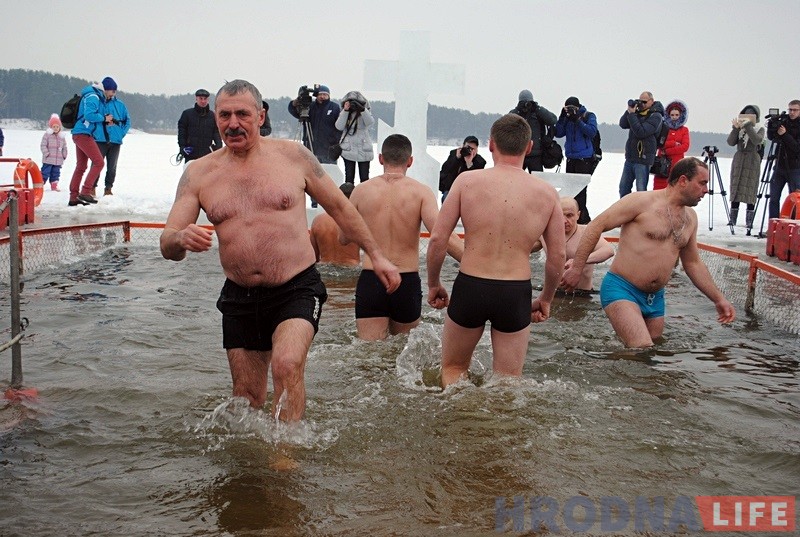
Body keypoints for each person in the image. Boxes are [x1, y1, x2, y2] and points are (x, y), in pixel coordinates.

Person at [160, 79, 400, 422]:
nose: (233, 123)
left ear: (260, 116)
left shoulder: (293, 157)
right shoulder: (199, 173)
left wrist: (376, 255)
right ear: (215, 117)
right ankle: (252, 471)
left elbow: (341, 208)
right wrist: (180, 238)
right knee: (247, 397)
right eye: (224, 115)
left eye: (242, 114)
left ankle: (286, 460)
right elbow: (167, 243)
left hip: (296, 286)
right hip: (239, 295)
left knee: (287, 365)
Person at [426, 114, 565, 387]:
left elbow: (438, 239)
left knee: (453, 368)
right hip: (515, 291)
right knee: (508, 382)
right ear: (529, 147)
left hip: (471, 285)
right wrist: (546, 298)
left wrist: (433, 284)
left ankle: (457, 425)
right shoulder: (547, 193)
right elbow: (557, 256)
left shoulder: (466, 182)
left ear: (491, 145)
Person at [562, 157, 736, 348]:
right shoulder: (641, 202)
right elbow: (596, 225)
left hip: (655, 298)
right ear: (683, 180)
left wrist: (718, 299)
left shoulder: (691, 219)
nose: (706, 190)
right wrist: (578, 267)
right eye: (702, 183)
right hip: (622, 289)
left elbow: (693, 263)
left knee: (652, 352)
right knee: (642, 348)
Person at [342, 134, 463, 341]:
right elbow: (441, 236)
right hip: (406, 280)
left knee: (369, 355)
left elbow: (343, 238)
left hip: (372, 279)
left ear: (380, 158)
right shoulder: (422, 192)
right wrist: (473, 262)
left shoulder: (361, 191)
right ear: (410, 161)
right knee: (404, 356)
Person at [532, 197, 614, 293]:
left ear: (578, 215)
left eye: (569, 215)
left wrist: (578, 261)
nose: (564, 221)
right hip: (553, 294)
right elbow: (522, 248)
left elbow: (608, 250)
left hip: (582, 295)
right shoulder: (545, 234)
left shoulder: (587, 233)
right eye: (560, 216)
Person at [555, 96, 598, 223]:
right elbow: (558, 132)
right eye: (567, 108)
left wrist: (578, 120)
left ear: (578, 107)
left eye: (572, 108)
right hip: (571, 158)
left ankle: (582, 220)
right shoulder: (567, 119)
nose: (570, 111)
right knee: (570, 191)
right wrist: (562, 117)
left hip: (584, 158)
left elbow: (592, 132)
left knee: (581, 190)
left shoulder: (588, 115)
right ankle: (576, 216)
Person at [69, 80, 110, 206]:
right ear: (106, 89)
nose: (112, 95)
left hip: (80, 133)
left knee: (81, 166)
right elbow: (89, 115)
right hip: (83, 134)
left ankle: (73, 197)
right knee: (99, 162)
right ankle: (85, 192)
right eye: (112, 91)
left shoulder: (92, 95)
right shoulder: (93, 96)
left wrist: (104, 120)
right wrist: (104, 118)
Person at [618, 91, 664, 197]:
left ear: (651, 101)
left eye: (644, 102)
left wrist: (633, 115)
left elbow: (641, 132)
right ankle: (625, 211)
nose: (641, 104)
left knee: (641, 190)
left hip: (643, 159)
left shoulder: (656, 116)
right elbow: (623, 124)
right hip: (631, 158)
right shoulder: (637, 113)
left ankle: (641, 212)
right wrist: (629, 111)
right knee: (623, 188)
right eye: (640, 101)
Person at [727, 105, 765, 227]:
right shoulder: (740, 129)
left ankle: (749, 220)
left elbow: (756, 140)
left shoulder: (760, 128)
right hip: (739, 159)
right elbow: (730, 142)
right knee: (735, 187)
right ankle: (732, 219)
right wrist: (736, 129)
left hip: (752, 159)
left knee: (750, 188)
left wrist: (748, 126)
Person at [92, 77, 130, 196]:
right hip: (100, 139)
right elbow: (93, 118)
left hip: (115, 141)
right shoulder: (98, 102)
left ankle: (108, 188)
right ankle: (92, 187)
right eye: (112, 90)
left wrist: (121, 133)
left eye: (115, 91)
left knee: (112, 166)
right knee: (96, 165)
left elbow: (127, 121)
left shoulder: (120, 105)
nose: (114, 93)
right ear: (106, 90)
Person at [309, 183, 361, 267]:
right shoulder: (359, 222)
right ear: (355, 198)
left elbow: (312, 257)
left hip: (324, 271)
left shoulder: (318, 221)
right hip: (351, 270)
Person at [287, 83, 341, 164]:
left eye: (325, 94)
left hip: (328, 149)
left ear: (329, 96)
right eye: (320, 94)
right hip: (311, 147)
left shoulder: (334, 107)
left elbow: (340, 126)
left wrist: (335, 142)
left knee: (329, 173)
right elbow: (295, 112)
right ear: (316, 95)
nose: (322, 96)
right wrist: (295, 103)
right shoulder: (310, 106)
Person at [766, 99, 800, 219]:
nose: (792, 112)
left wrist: (784, 135)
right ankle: (773, 225)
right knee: (773, 197)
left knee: (795, 199)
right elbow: (771, 137)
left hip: (795, 167)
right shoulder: (783, 121)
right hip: (779, 165)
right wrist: (772, 125)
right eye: (790, 109)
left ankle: (793, 225)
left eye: (795, 110)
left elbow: (797, 147)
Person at [510, 90, 557, 172]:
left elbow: (552, 120)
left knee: (537, 180)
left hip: (536, 154)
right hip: (520, 154)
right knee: (516, 180)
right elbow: (506, 123)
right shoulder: (516, 113)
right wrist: (518, 109)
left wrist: (538, 108)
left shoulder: (537, 112)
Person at [334, 90, 374, 184]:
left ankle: (364, 197)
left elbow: (370, 123)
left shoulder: (364, 112)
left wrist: (363, 110)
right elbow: (339, 126)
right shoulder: (345, 112)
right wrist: (345, 111)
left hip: (363, 148)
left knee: (364, 179)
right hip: (349, 148)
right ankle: (348, 196)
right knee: (349, 178)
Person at [177, 89, 222, 165]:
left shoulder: (213, 116)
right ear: (196, 99)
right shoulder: (187, 114)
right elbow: (182, 132)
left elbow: (216, 132)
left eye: (205, 99)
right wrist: (182, 147)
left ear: (208, 100)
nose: (203, 101)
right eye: (201, 98)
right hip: (190, 154)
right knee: (190, 176)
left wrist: (218, 146)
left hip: (207, 155)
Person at [652, 100, 690, 191]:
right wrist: (674, 143)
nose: (674, 117)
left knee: (675, 190)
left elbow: (685, 146)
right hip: (662, 165)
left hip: (677, 165)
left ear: (681, 115)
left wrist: (667, 151)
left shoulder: (684, 130)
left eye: (676, 115)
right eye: (672, 115)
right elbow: (660, 143)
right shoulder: (663, 128)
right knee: (659, 191)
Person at [438, 135, 487, 203]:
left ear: (477, 150)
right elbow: (445, 170)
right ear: (463, 146)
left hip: (469, 192)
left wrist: (469, 164)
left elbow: (475, 181)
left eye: (473, 149)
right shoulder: (454, 154)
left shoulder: (480, 162)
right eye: (468, 148)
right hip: (451, 189)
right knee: (447, 199)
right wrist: (456, 158)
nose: (470, 151)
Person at [40, 114, 68, 192]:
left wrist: (64, 155)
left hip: (58, 160)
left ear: (59, 127)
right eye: (54, 127)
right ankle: (40, 184)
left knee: (56, 173)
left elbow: (64, 147)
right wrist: (46, 153)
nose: (55, 128)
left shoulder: (61, 137)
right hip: (48, 159)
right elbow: (43, 145)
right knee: (45, 172)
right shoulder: (47, 135)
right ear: (51, 127)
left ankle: (54, 184)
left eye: (57, 127)